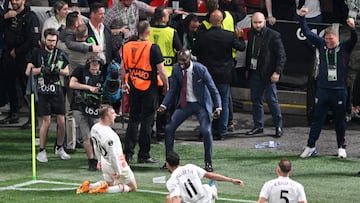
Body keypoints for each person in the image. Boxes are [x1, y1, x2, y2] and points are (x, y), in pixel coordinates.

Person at [298, 8, 357, 159]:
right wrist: (302, 18)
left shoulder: (344, 47)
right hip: (323, 90)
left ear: (337, 38)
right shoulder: (321, 45)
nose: (328, 42)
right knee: (317, 119)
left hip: (339, 90)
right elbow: (307, 32)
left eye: (331, 39)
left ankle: (341, 147)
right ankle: (310, 146)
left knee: (340, 120)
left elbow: (354, 39)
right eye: (327, 39)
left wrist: (352, 28)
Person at [157, 49, 222, 172]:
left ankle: (208, 162)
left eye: (184, 60)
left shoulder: (201, 69)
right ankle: (168, 162)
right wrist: (164, 105)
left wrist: (218, 107)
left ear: (190, 59)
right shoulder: (176, 69)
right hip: (185, 104)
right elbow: (172, 90)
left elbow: (213, 88)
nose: (181, 63)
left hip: (201, 105)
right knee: (169, 128)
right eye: (179, 60)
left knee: (206, 131)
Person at [121, 20, 169, 164]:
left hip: (134, 85)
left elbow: (123, 68)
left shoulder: (127, 46)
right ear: (148, 32)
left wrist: (124, 82)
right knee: (147, 122)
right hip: (149, 87)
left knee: (133, 120)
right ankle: (143, 154)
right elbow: (161, 71)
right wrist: (166, 86)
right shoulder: (153, 48)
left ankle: (128, 153)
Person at [193, 9, 245, 140]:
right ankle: (221, 131)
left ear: (210, 21)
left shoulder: (203, 36)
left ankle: (206, 129)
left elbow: (195, 51)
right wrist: (239, 37)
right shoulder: (229, 36)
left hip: (206, 75)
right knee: (223, 103)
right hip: (224, 74)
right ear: (221, 21)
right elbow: (241, 47)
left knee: (206, 104)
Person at [25, 28, 71, 163]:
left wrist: (59, 70)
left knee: (61, 121)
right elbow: (28, 71)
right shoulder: (36, 53)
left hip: (57, 89)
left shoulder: (61, 54)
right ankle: (42, 150)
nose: (52, 43)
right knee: (46, 121)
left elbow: (67, 71)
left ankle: (60, 147)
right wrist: (42, 70)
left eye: (54, 41)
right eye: (49, 40)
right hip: (43, 90)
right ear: (44, 39)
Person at [76, 104, 137, 194]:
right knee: (133, 187)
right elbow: (113, 155)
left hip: (104, 162)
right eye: (112, 113)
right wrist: (118, 170)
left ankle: (89, 186)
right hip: (117, 163)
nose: (115, 115)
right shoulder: (110, 135)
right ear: (106, 117)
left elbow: (96, 146)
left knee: (110, 183)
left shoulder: (95, 128)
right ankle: (104, 190)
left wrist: (99, 161)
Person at [244, 12, 286, 138]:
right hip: (254, 72)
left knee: (272, 101)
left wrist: (277, 72)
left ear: (265, 21)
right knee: (256, 100)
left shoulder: (274, 35)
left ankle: (278, 126)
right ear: (252, 22)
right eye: (255, 22)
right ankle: (258, 126)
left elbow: (281, 56)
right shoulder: (250, 34)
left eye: (260, 22)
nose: (257, 25)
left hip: (269, 74)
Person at [0, 0, 40, 124]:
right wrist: (3, 18)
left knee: (26, 89)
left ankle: (33, 119)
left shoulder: (31, 17)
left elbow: (33, 39)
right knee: (11, 86)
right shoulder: (8, 15)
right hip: (8, 57)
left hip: (24, 58)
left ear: (24, 1)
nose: (14, 1)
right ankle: (13, 114)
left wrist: (17, 51)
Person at [149, 6, 182, 142]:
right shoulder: (171, 32)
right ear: (163, 18)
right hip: (166, 73)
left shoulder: (147, 30)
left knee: (150, 105)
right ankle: (162, 133)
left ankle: (148, 130)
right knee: (165, 106)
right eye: (167, 15)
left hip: (149, 73)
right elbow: (179, 50)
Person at [165, 151, 244, 203]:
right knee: (208, 186)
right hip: (206, 200)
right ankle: (213, 190)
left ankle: (213, 190)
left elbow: (176, 199)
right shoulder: (191, 167)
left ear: (167, 164)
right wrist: (231, 180)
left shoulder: (171, 181)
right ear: (179, 161)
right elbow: (211, 175)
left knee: (169, 198)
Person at [69, 55, 103, 171]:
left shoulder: (103, 74)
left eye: (96, 68)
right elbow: (72, 84)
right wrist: (88, 88)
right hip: (80, 106)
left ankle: (100, 158)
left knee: (97, 134)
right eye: (92, 68)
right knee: (86, 135)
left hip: (95, 107)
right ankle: (91, 160)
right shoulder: (80, 70)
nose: (94, 71)